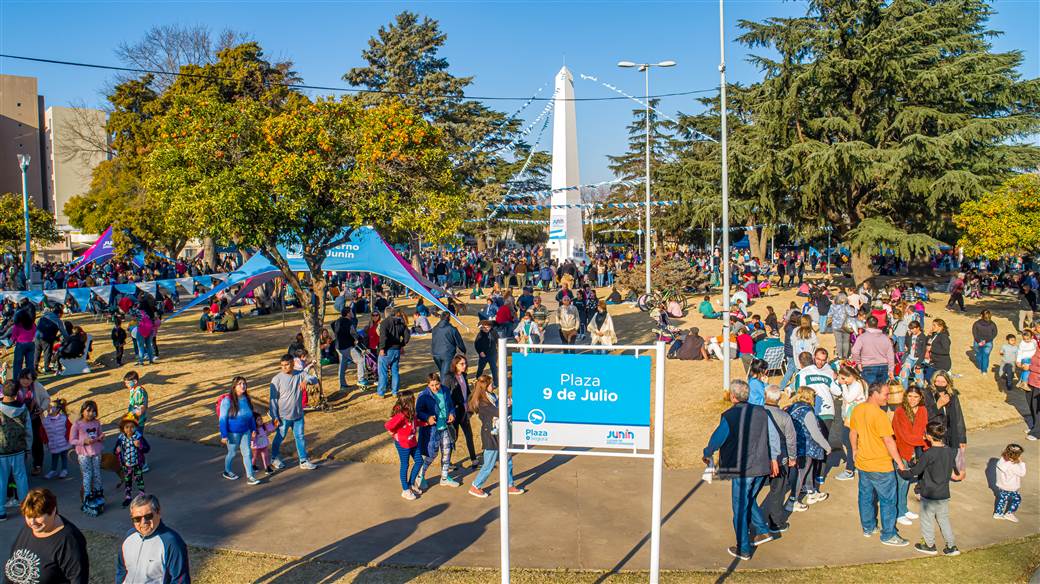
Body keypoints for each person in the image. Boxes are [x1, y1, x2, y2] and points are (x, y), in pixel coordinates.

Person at [702, 379, 781, 561]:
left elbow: (717, 439)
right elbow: (773, 436)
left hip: (743, 468)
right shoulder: (762, 412)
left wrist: (707, 453)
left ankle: (743, 548)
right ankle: (762, 530)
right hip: (762, 466)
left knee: (739, 507)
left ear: (733, 396)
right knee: (749, 499)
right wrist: (774, 458)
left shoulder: (729, 416)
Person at [848, 382, 909, 546]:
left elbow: (853, 432)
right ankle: (888, 535)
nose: (887, 398)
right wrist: (900, 463)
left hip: (862, 464)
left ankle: (868, 527)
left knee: (865, 497)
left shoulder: (858, 409)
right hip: (881, 466)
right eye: (885, 394)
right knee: (888, 501)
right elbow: (888, 440)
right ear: (874, 393)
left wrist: (854, 450)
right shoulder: (879, 415)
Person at [897, 422, 964, 556]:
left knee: (927, 520)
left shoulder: (928, 454)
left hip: (929, 494)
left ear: (928, 436)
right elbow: (954, 469)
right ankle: (951, 546)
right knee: (944, 520)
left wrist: (902, 471)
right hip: (944, 494)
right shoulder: (950, 451)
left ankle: (929, 545)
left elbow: (915, 471)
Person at [4, 488, 88, 583]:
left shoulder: (70, 541)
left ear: (53, 510)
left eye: (38, 516)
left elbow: (78, 579)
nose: (32, 522)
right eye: (29, 516)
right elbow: (12, 564)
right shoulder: (30, 528)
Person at [467, 375, 525, 498]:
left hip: (502, 433)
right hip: (491, 436)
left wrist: (509, 405)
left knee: (507, 460)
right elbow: (500, 413)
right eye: (491, 384)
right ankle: (475, 486)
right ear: (484, 386)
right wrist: (510, 406)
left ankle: (509, 485)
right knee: (489, 464)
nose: (493, 386)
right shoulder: (483, 403)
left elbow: (504, 409)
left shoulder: (493, 397)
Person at [116, 494, 190, 583]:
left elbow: (180, 580)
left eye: (148, 516)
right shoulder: (129, 536)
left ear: (158, 512)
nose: (143, 522)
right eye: (137, 519)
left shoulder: (172, 542)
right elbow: (121, 569)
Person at [786, 387, 832, 511]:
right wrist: (826, 446)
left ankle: (811, 492)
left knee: (809, 469)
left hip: (795, 446)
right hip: (806, 448)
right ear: (809, 397)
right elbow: (815, 433)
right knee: (801, 474)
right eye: (814, 396)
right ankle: (792, 501)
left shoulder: (792, 408)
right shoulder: (807, 411)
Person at [269, 354, 316, 471]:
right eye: (282, 365)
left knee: (300, 437)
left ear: (293, 364)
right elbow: (273, 400)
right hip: (283, 416)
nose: (284, 367)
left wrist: (306, 380)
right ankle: (274, 458)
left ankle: (303, 460)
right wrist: (274, 416)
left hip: (298, 415)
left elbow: (314, 378)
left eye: (287, 365)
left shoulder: (300, 374)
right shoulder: (276, 379)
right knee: (280, 437)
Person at [761, 385, 796, 533]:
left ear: (765, 396)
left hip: (759, 459)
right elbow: (791, 439)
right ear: (779, 398)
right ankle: (775, 522)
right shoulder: (784, 417)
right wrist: (792, 457)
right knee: (777, 492)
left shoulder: (758, 412)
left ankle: (750, 520)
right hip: (780, 460)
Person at [891, 387, 928, 525]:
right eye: (910, 396)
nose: (912, 399)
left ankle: (903, 508)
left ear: (920, 398)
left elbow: (923, 428)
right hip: (901, 450)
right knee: (900, 482)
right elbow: (905, 436)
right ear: (905, 396)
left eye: (916, 397)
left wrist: (923, 442)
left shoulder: (923, 410)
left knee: (906, 483)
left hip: (916, 451)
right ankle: (898, 513)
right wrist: (925, 440)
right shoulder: (900, 411)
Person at [416, 372, 458, 489]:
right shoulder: (423, 395)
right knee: (432, 454)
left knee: (447, 452)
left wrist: (452, 413)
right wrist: (427, 417)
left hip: (445, 427)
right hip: (432, 430)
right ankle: (420, 476)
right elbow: (418, 412)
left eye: (437, 384)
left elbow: (451, 405)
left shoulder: (445, 390)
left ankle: (444, 478)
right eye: (432, 385)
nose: (435, 387)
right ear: (428, 385)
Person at [921, 371, 967, 470]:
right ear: (933, 382)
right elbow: (924, 416)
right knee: (933, 465)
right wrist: (938, 405)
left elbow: (958, 417)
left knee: (947, 464)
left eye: (943, 382)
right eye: (937, 381)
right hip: (934, 435)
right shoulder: (927, 394)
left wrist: (962, 438)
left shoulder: (952, 395)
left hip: (950, 434)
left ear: (948, 383)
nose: (940, 384)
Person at [218, 376, 260, 485]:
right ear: (234, 386)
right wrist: (224, 435)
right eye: (240, 384)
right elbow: (222, 419)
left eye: (244, 383)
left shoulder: (246, 398)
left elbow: (250, 416)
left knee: (247, 453)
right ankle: (227, 471)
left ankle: (250, 476)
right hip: (233, 433)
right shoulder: (227, 401)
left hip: (246, 431)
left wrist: (254, 429)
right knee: (232, 453)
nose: (243, 385)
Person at [0, 379, 32, 519]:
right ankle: (25, 507)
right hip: (19, 449)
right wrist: (28, 448)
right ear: (16, 393)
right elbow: (28, 430)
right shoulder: (23, 408)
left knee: (1, 480)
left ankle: (1, 511)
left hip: (1, 450)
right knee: (21, 478)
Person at [68, 401, 104, 516]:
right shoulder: (77, 424)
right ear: (82, 411)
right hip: (84, 454)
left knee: (97, 474)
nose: (90, 413)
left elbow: (100, 434)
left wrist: (101, 437)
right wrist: (83, 441)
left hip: (96, 452)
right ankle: (87, 499)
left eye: (93, 411)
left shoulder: (97, 422)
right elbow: (72, 440)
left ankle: (98, 496)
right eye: (88, 410)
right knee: (88, 475)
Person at [385, 394, 424, 501]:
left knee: (419, 461)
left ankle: (411, 484)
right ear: (407, 402)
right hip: (403, 444)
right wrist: (393, 432)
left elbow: (416, 423)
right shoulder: (401, 415)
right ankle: (405, 490)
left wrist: (426, 423)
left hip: (412, 442)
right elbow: (388, 425)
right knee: (405, 465)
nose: (414, 400)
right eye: (413, 399)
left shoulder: (411, 412)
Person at [443, 355, 478, 469]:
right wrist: (449, 412)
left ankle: (474, 459)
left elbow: (467, 392)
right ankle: (446, 463)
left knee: (469, 435)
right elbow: (445, 396)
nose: (465, 366)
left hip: (464, 411)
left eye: (465, 363)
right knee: (453, 437)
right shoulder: (449, 377)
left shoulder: (464, 375)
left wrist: (470, 402)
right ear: (455, 364)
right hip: (454, 412)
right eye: (461, 364)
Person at [834, 365, 867, 481]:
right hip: (852, 417)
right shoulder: (856, 383)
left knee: (848, 442)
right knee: (851, 441)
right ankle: (856, 463)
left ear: (850, 376)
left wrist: (842, 385)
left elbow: (848, 398)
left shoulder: (857, 385)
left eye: (844, 379)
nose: (843, 381)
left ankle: (849, 470)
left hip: (854, 418)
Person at [114, 415, 147, 508]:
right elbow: (115, 450)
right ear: (123, 428)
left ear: (135, 427)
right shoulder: (121, 438)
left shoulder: (138, 437)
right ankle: (128, 497)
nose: (129, 429)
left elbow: (147, 448)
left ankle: (142, 496)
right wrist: (117, 450)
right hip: (126, 464)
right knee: (128, 481)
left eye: (132, 427)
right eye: (127, 427)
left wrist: (140, 445)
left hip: (137, 463)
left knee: (139, 479)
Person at [852, 315, 895, 386]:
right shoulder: (885, 338)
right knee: (881, 391)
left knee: (871, 391)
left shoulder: (862, 337)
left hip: (868, 366)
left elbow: (854, 351)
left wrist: (858, 363)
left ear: (867, 324)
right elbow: (890, 355)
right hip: (884, 366)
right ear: (877, 324)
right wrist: (891, 370)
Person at [377, 309, 410, 398]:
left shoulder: (384, 323)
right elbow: (407, 336)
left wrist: (382, 348)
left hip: (387, 350)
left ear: (385, 314)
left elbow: (383, 337)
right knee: (395, 371)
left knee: (383, 372)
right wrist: (401, 344)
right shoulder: (400, 322)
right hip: (396, 350)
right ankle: (395, 391)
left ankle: (381, 392)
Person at [40, 399, 71, 479]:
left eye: (52, 407)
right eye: (49, 406)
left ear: (57, 410)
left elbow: (70, 428)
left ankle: (64, 469)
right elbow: (43, 429)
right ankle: (53, 470)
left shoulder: (63, 419)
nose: (49, 408)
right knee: (54, 456)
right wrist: (45, 441)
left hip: (64, 442)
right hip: (53, 443)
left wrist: (69, 439)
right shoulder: (46, 420)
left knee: (64, 456)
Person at [993, 443, 1025, 522]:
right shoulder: (1013, 466)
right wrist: (1021, 463)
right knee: (1017, 499)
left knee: (1002, 499)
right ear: (1016, 456)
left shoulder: (1002, 460)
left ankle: (998, 513)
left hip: (1002, 485)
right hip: (1011, 486)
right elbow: (1022, 473)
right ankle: (1009, 513)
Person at [431, 311, 466, 381]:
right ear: (449, 318)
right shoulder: (452, 329)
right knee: (445, 374)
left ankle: (445, 385)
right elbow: (459, 341)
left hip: (436, 354)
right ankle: (444, 389)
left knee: (443, 372)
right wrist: (463, 350)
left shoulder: (435, 328)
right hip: (447, 354)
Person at [332, 308, 361, 391]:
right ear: (348, 314)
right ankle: (361, 380)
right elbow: (353, 333)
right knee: (360, 360)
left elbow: (332, 325)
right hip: (346, 346)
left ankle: (342, 384)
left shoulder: (337, 321)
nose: (352, 313)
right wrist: (358, 339)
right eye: (351, 312)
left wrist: (339, 336)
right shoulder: (349, 322)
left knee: (343, 365)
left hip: (338, 346)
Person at [972, 310, 998, 374]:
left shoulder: (976, 323)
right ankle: (984, 370)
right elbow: (994, 333)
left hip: (978, 342)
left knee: (979, 355)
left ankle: (981, 367)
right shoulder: (993, 324)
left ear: (981, 315)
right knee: (986, 356)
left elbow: (974, 333)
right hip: (988, 342)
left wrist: (979, 341)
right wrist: (986, 341)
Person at [474, 321, 499, 385]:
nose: (486, 329)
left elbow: (498, 341)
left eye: (488, 327)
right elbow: (476, 344)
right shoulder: (480, 334)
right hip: (483, 355)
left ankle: (496, 382)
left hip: (492, 354)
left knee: (494, 369)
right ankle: (477, 379)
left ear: (490, 327)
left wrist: (498, 349)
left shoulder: (494, 333)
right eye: (484, 327)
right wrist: (480, 352)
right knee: (480, 368)